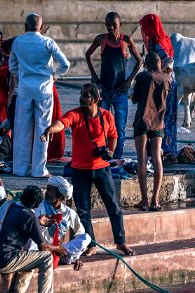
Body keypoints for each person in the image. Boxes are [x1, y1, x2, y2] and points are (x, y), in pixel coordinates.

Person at [41, 83, 134, 256]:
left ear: (97, 99)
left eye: (86, 96)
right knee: (83, 210)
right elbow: (62, 123)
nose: (82, 99)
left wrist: (110, 152)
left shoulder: (106, 116)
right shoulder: (76, 114)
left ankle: (121, 242)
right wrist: (49, 130)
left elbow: (114, 135)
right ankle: (91, 244)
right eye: (82, 95)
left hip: (102, 169)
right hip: (80, 170)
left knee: (114, 207)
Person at [0, 185, 67, 293]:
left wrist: (37, 221)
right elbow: (43, 247)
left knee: (30, 257)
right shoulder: (29, 216)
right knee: (46, 257)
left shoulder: (9, 205)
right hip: (3, 261)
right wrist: (56, 248)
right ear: (36, 205)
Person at [9, 13, 70, 178]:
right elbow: (65, 64)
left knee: (22, 130)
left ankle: (20, 169)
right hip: (44, 90)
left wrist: (21, 76)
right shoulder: (48, 42)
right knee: (43, 129)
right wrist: (55, 75)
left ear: (25, 26)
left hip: (24, 90)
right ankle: (39, 170)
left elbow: (12, 67)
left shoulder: (18, 42)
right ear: (41, 27)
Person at [85, 12, 142, 160]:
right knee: (101, 126)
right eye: (107, 24)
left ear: (120, 24)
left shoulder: (126, 41)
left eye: (113, 25)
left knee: (120, 128)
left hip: (120, 92)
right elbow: (88, 54)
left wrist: (130, 80)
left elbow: (139, 61)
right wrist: (94, 76)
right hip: (103, 90)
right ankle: (103, 156)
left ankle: (116, 158)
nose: (110, 27)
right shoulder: (101, 39)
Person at [132, 52, 170, 211]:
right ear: (159, 63)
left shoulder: (142, 77)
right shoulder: (167, 78)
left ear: (146, 63)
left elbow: (134, 98)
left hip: (142, 122)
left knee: (142, 159)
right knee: (157, 159)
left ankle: (144, 201)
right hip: (158, 123)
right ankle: (156, 200)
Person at [139, 14, 178, 160]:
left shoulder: (156, 43)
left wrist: (161, 73)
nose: (142, 30)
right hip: (170, 81)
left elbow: (168, 60)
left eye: (144, 27)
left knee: (160, 114)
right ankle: (167, 148)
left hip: (162, 82)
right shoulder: (164, 39)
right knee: (166, 114)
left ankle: (163, 148)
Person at [34, 176, 90, 269]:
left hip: (58, 250)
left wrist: (76, 257)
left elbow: (80, 233)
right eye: (47, 189)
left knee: (86, 238)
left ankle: (69, 258)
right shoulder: (39, 206)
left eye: (50, 190)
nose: (46, 193)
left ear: (59, 196)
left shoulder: (69, 213)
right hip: (40, 248)